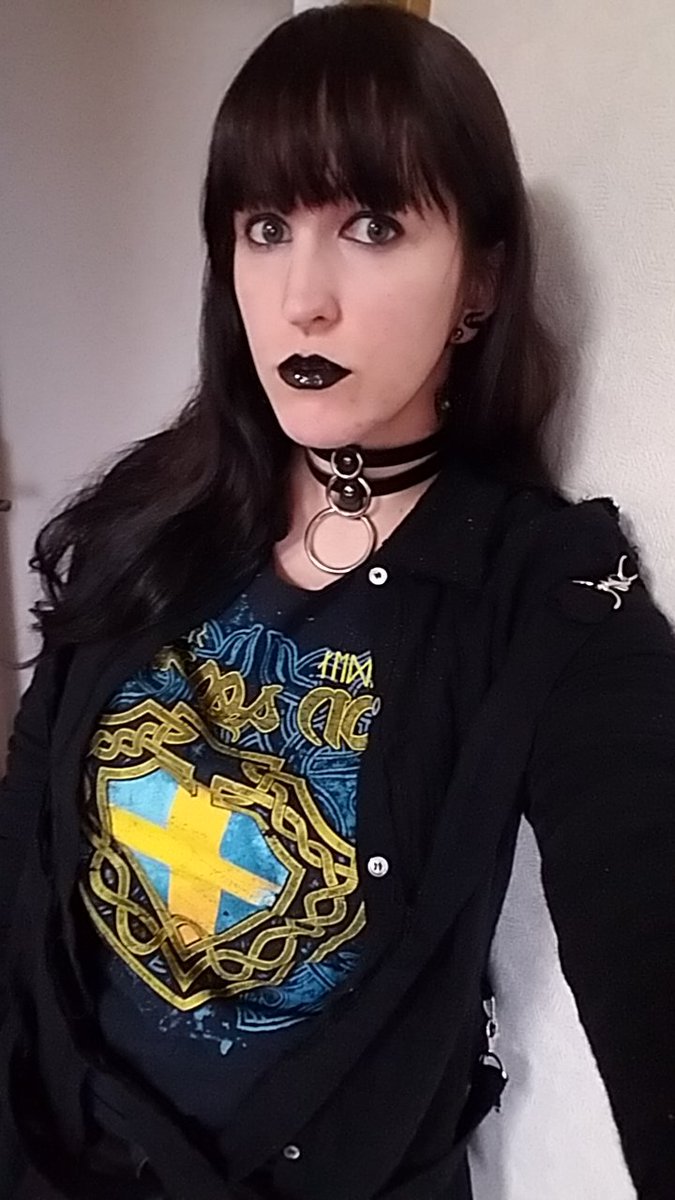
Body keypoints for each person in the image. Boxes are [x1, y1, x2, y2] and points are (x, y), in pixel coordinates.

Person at [0, 3, 673, 1198]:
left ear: (479, 278)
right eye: (266, 228)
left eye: (372, 225)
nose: (303, 298)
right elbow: (27, 843)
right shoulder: (146, 518)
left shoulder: (548, 591)